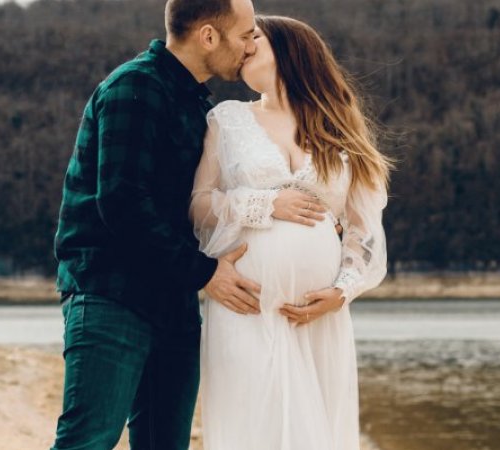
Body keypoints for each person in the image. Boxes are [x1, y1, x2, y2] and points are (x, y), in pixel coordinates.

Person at [50, 1, 281, 448]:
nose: (251, 45)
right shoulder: (133, 88)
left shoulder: (196, 104)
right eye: (246, 34)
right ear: (209, 37)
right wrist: (206, 273)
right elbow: (120, 204)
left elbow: (209, 204)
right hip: (110, 295)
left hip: (173, 300)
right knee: (88, 441)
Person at [190, 15, 392, 450]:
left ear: (288, 51)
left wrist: (342, 291)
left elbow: (364, 228)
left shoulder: (338, 126)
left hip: (317, 316)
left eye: (254, 39)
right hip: (246, 304)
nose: (243, 48)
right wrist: (264, 203)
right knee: (255, 429)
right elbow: (199, 206)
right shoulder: (227, 120)